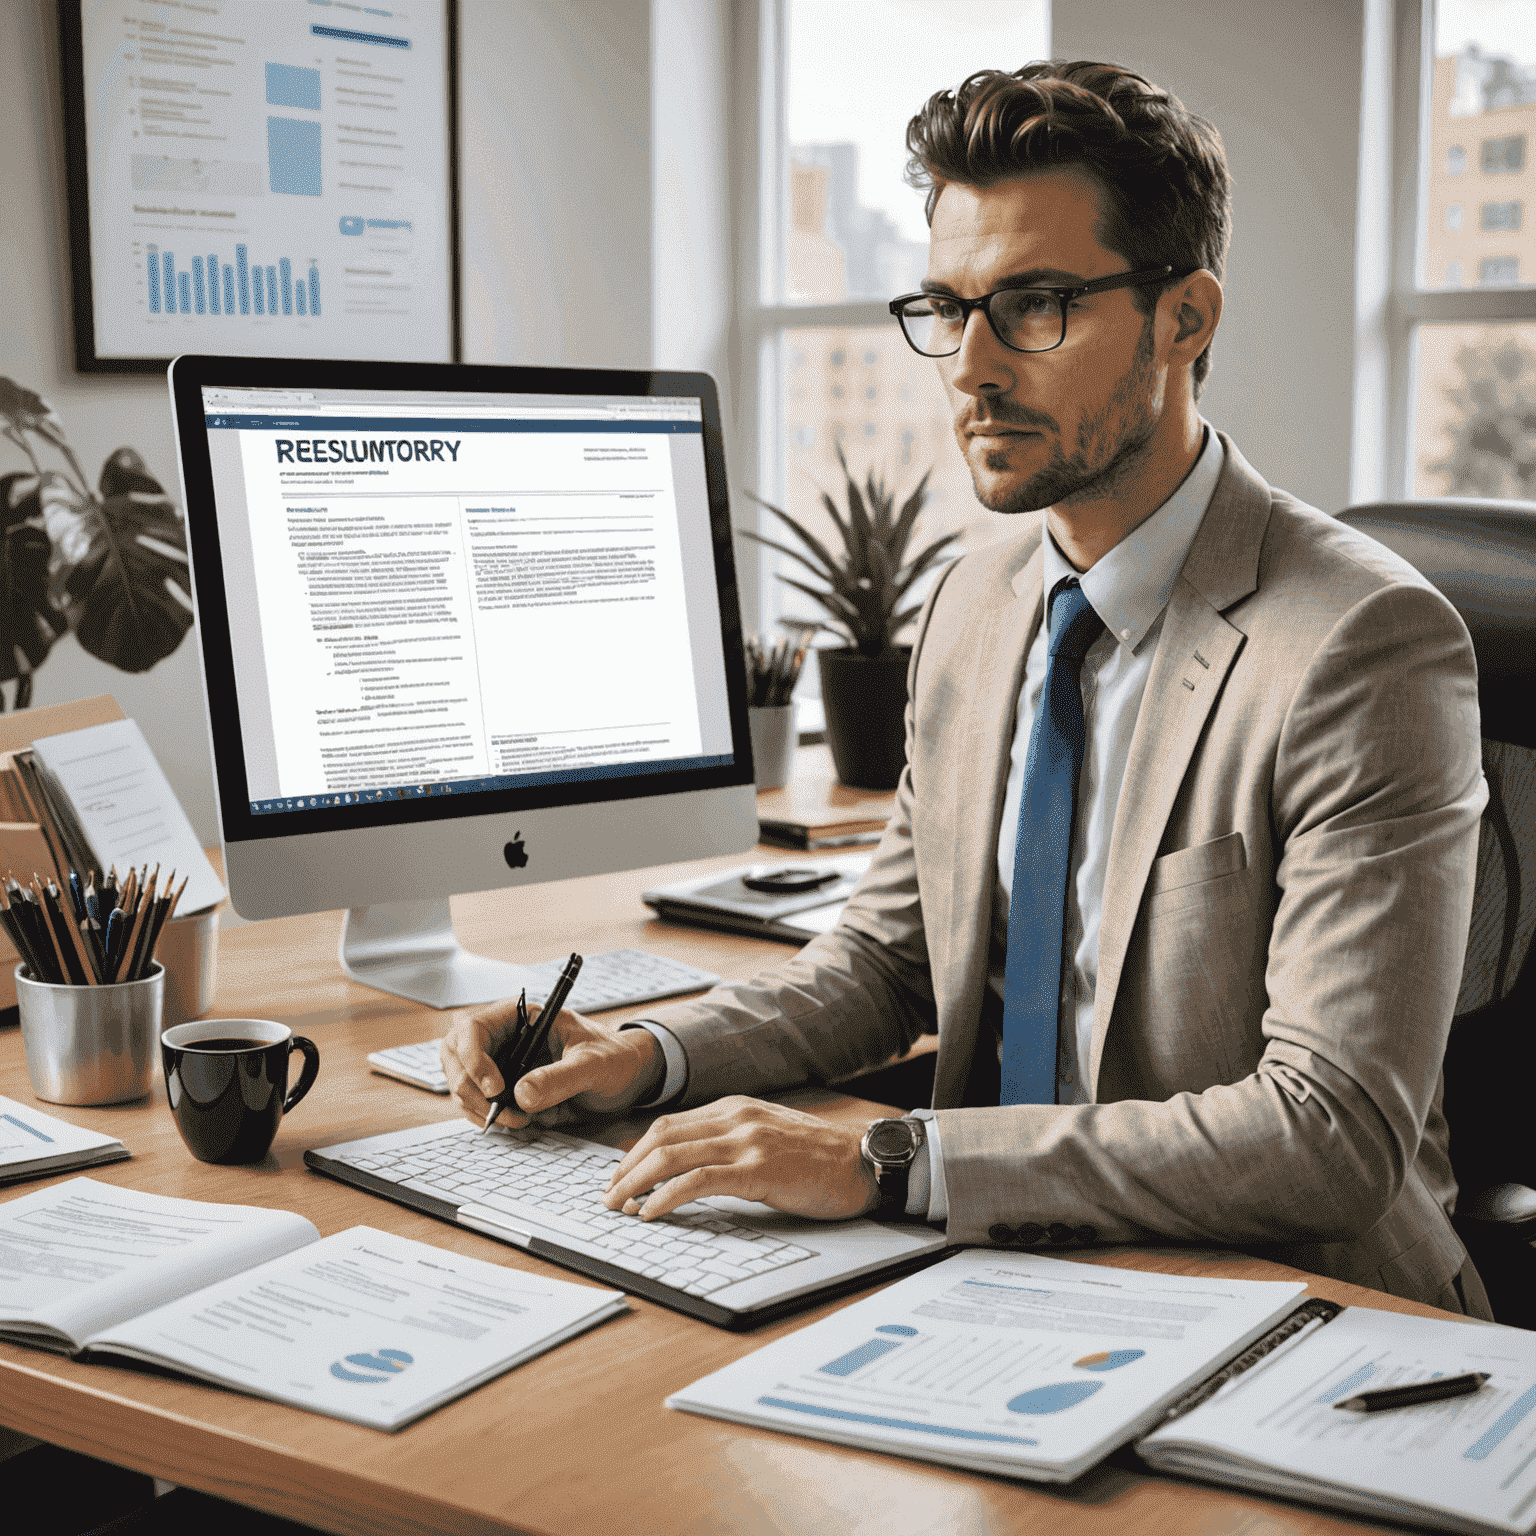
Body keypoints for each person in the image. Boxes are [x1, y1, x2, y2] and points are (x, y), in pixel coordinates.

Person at [442, 61, 1489, 1314]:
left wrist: (888, 1159)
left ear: (1185, 319)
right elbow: (886, 966)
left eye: (1036, 305)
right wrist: (645, 1057)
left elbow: (1329, 1136)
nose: (972, 367)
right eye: (949, 308)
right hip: (987, 1284)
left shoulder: (1361, 645)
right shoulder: (976, 604)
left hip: (1288, 1309)